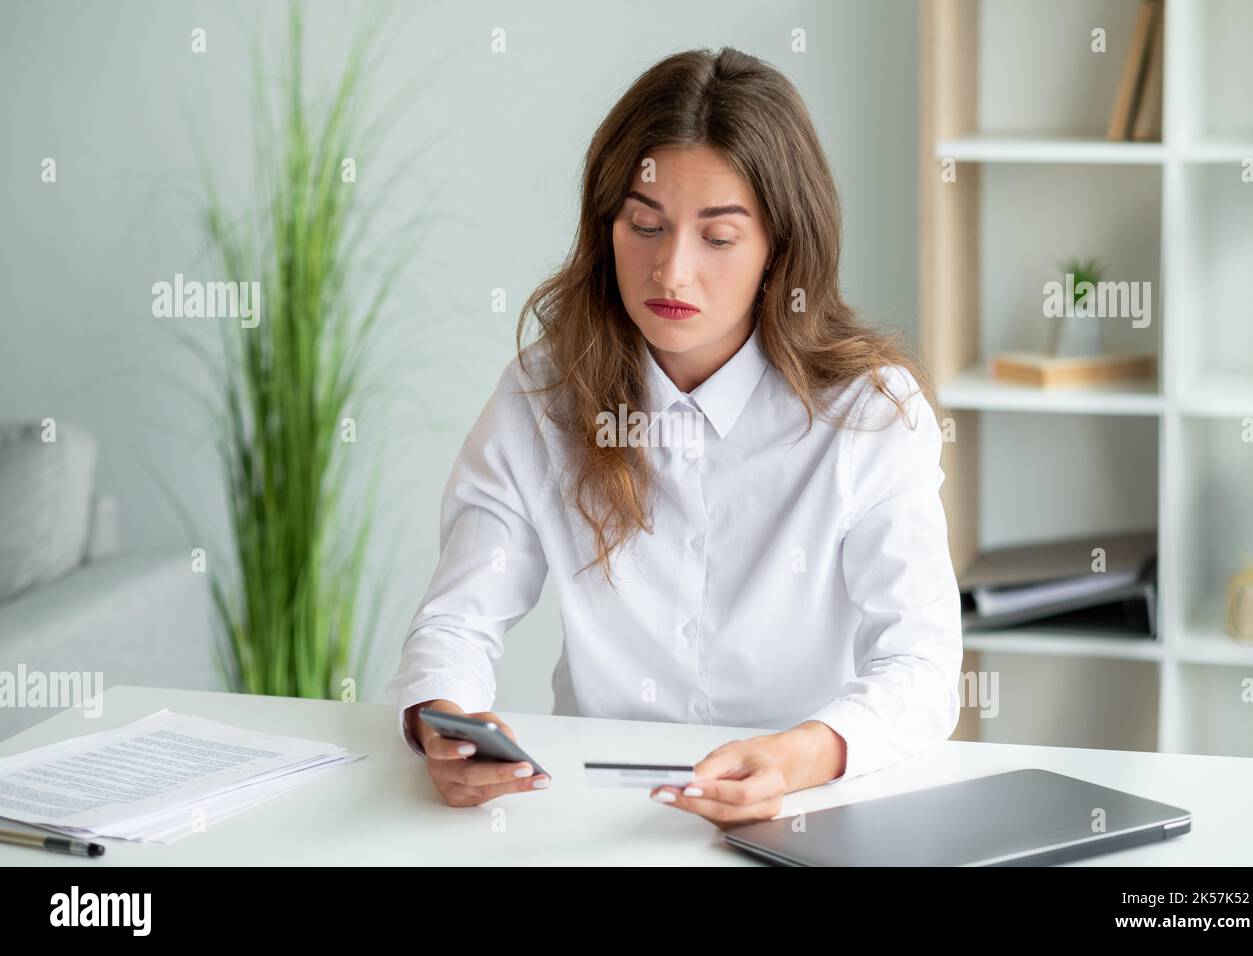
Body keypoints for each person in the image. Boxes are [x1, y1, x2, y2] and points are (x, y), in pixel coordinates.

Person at [385, 46, 963, 828]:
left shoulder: (868, 413)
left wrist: (799, 755)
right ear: (607, 226)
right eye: (645, 225)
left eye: (718, 238)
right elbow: (459, 618)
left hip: (806, 817)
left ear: (778, 251)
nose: (671, 272)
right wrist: (443, 724)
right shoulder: (543, 394)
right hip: (591, 821)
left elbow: (923, 669)